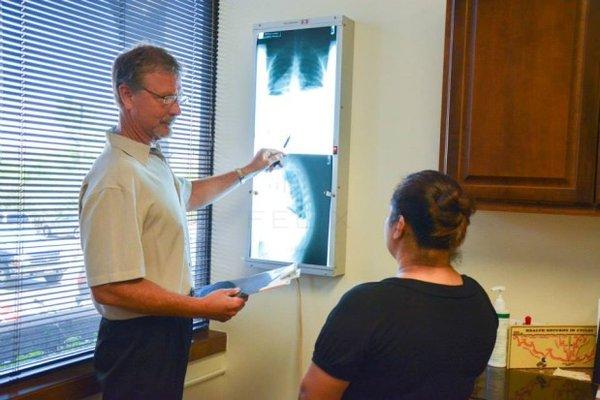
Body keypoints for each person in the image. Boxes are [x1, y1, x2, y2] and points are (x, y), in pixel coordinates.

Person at [78, 44, 283, 400]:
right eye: (165, 98)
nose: (176, 109)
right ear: (126, 95)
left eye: (178, 96)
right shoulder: (115, 177)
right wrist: (201, 307)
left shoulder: (150, 161)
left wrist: (249, 170)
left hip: (164, 332)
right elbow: (110, 288)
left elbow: (188, 196)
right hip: (137, 344)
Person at [299, 170, 498, 400]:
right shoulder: (478, 302)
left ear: (399, 225)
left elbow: (312, 394)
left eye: (389, 214)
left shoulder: (366, 306)